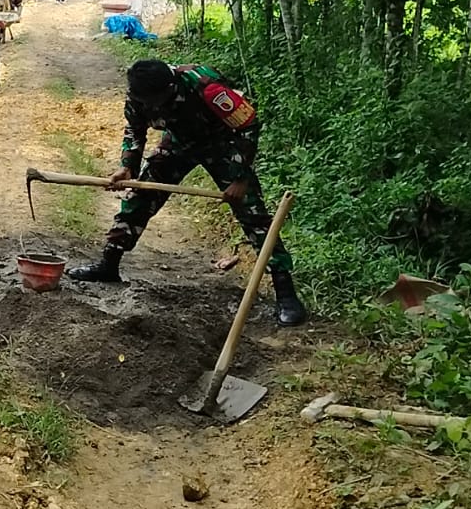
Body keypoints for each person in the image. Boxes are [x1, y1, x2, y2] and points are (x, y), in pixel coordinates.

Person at [67, 59, 307, 326]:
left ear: (170, 87)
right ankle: (108, 264)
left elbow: (248, 125)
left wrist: (240, 178)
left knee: (253, 215)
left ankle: (286, 293)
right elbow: (134, 129)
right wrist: (128, 167)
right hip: (180, 141)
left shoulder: (207, 88)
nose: (154, 107)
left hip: (224, 144)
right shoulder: (139, 93)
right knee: (139, 195)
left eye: (158, 101)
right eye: (149, 103)